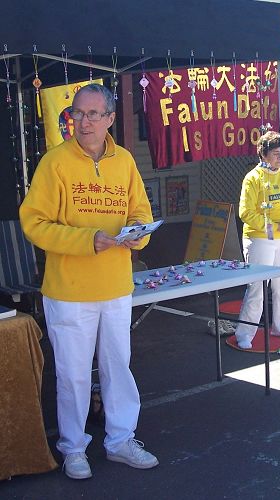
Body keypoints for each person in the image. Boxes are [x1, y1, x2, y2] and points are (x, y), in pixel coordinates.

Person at [19, 84, 158, 480]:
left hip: (116, 286)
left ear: (111, 119)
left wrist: (138, 232)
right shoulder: (55, 162)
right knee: (74, 374)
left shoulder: (126, 161)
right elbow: (34, 223)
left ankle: (119, 440)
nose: (83, 122)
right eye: (76, 114)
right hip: (69, 291)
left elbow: (140, 211)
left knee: (119, 367)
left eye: (93, 114)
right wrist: (86, 239)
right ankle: (73, 447)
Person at [235, 131, 280, 349]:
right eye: (275, 154)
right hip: (260, 239)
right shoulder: (253, 178)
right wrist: (274, 227)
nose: (279, 158)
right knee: (257, 287)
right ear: (263, 155)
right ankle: (244, 333)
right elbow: (245, 213)